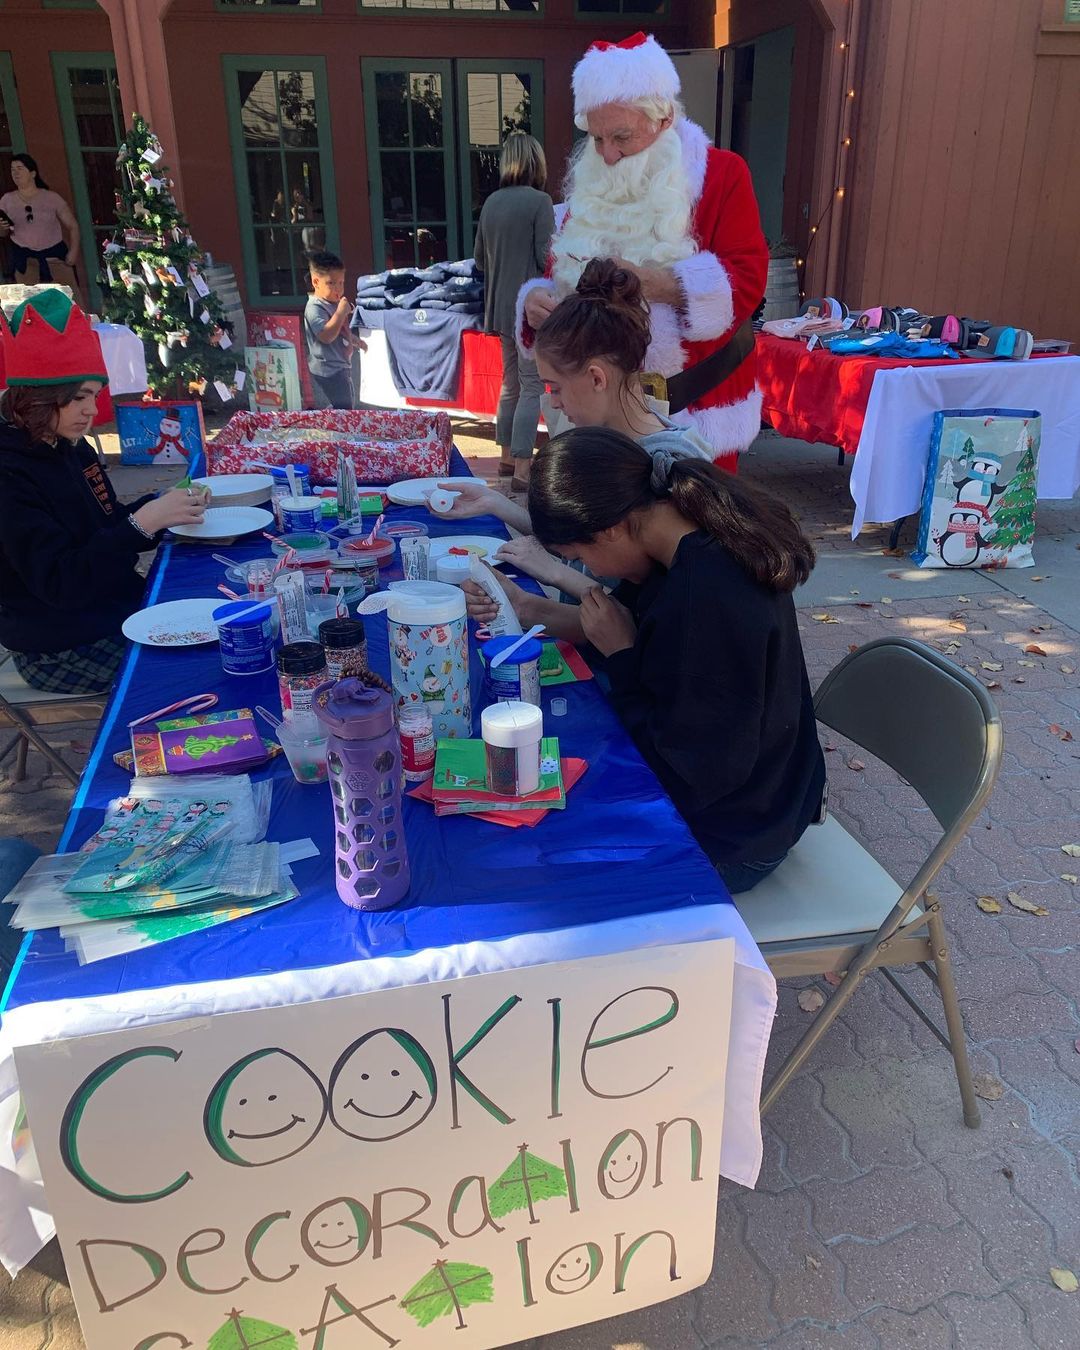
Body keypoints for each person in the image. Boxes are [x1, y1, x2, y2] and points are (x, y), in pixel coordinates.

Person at [524, 426, 826, 894]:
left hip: (739, 835)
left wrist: (622, 657)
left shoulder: (705, 598)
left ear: (608, 529)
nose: (593, 573)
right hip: (759, 790)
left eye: (579, 555)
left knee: (549, 860)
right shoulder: (690, 532)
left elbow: (688, 775)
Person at [517, 33, 769, 468]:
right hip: (591, 417)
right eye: (596, 138)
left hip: (693, 410)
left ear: (664, 119)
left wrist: (659, 284)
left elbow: (747, 281)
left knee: (687, 533)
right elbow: (556, 271)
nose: (607, 155)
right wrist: (535, 303)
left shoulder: (722, 175)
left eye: (621, 137)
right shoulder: (590, 182)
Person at [436, 258, 712, 600]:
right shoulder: (605, 446)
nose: (554, 403)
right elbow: (580, 537)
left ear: (596, 377)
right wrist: (496, 503)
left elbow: (648, 613)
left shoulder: (669, 465)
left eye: (555, 387)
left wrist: (553, 576)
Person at [0, 292, 208, 694]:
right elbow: (62, 584)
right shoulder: (9, 474)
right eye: (79, 397)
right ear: (38, 397)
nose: (93, 411)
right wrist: (142, 524)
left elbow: (108, 523)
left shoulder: (71, 448)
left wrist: (165, 507)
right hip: (57, 643)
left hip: (111, 607)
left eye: (94, 395)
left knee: (218, 617)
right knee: (192, 669)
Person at [473, 132, 555, 491]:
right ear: (536, 163)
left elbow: (478, 260)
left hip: (498, 308)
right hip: (528, 308)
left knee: (510, 384)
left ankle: (507, 458)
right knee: (532, 385)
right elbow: (546, 259)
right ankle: (524, 468)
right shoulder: (540, 202)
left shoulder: (491, 203)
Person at [0, 154, 83, 303]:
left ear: (32, 173)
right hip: (26, 262)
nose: (15, 173)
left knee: (70, 305)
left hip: (55, 258)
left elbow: (73, 226)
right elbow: (3, 233)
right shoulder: (7, 200)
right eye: (12, 170)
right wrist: (2, 228)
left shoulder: (51, 198)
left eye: (20, 168)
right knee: (30, 308)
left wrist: (73, 252)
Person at [304, 250, 365, 410]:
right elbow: (326, 336)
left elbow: (340, 332)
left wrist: (355, 340)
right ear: (316, 282)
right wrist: (341, 312)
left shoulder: (334, 303)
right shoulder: (314, 307)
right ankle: (332, 428)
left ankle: (329, 421)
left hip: (340, 365)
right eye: (331, 283)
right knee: (345, 408)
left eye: (341, 282)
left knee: (345, 404)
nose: (338, 288)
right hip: (328, 369)